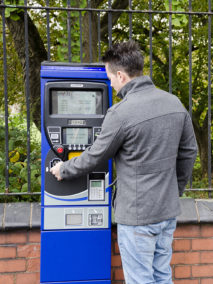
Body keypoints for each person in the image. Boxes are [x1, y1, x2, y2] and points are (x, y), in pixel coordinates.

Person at [50, 41, 198, 284]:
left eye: (110, 78)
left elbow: (95, 156)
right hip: (167, 212)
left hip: (137, 216)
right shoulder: (174, 104)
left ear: (121, 75)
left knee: (141, 280)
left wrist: (63, 169)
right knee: (162, 276)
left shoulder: (121, 113)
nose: (111, 84)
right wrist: (175, 190)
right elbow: (189, 152)